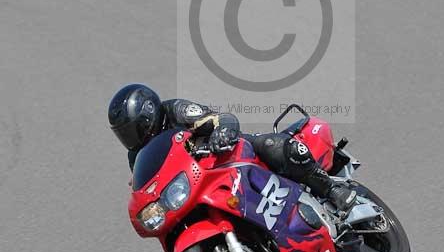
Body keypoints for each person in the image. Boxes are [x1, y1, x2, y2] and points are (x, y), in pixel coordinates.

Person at [108, 83, 357, 213]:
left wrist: (222, 133)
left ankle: (332, 189)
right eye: (124, 134)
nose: (131, 137)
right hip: (200, 185)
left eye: (133, 128)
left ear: (148, 115)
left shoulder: (176, 111)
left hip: (228, 154)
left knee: (272, 145)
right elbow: (150, 183)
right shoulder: (137, 155)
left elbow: (217, 118)